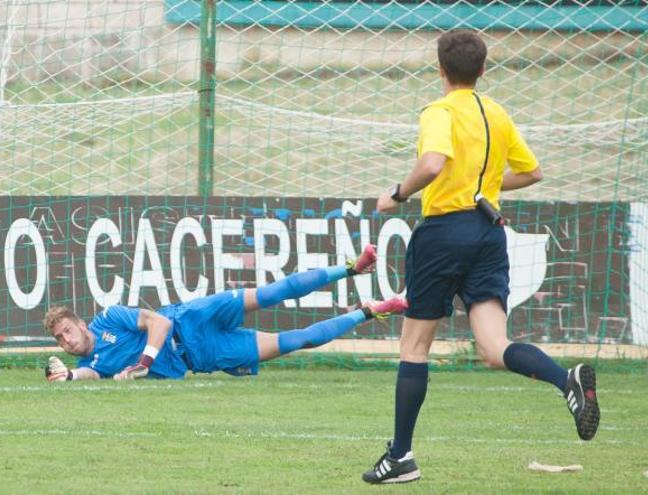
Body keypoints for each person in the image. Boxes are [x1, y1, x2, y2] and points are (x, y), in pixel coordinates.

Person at [363, 31, 599, 484]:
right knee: (494, 348)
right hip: (489, 232)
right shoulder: (497, 112)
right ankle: (564, 380)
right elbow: (532, 171)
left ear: (440, 70)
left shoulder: (439, 111)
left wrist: (396, 194)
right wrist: (486, 187)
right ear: (483, 69)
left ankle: (400, 457)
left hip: (444, 232)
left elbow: (432, 163)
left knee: (414, 348)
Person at [43, 245, 407, 382]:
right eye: (59, 339)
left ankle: (351, 268)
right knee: (302, 340)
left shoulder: (108, 319)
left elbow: (160, 321)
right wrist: (68, 376)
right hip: (204, 354)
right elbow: (89, 373)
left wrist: (145, 361)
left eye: (66, 330)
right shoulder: (100, 366)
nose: (66, 339)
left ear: (81, 322)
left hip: (191, 318)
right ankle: (370, 311)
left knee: (273, 291)